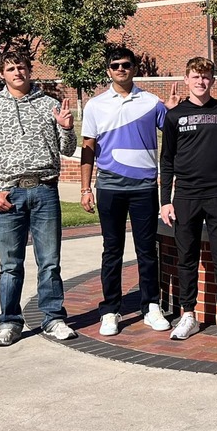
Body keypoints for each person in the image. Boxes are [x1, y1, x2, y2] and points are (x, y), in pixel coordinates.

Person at [0, 50, 77, 347]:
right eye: (10, 68)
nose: (17, 71)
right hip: (9, 193)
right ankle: (9, 321)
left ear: (30, 71)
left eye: (21, 66)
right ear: (2, 74)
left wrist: (67, 128)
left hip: (45, 190)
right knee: (10, 265)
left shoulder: (50, 105)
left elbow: (67, 149)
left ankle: (53, 318)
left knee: (49, 262)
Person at [80, 47, 179, 336]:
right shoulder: (95, 105)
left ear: (135, 68)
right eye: (115, 65)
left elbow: (172, 134)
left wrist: (171, 113)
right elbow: (88, 148)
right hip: (109, 187)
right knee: (112, 251)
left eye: (126, 64)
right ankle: (110, 309)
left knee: (147, 251)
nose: (121, 69)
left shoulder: (151, 103)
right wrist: (86, 188)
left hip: (145, 187)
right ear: (108, 70)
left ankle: (151, 305)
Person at [159, 57, 217, 340]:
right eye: (196, 77)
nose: (201, 81)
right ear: (186, 79)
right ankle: (188, 315)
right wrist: (165, 199)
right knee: (187, 257)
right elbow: (167, 160)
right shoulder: (174, 115)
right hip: (185, 195)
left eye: (206, 77)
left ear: (213, 80)